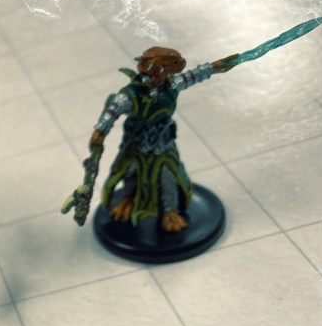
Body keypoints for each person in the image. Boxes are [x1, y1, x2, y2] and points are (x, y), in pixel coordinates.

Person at [87, 47, 235, 232]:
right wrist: (100, 131)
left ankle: (169, 212)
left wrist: (215, 67)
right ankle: (128, 199)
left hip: (163, 145)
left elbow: (194, 75)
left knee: (168, 177)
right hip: (136, 145)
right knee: (130, 173)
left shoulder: (172, 85)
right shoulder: (131, 94)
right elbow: (112, 110)